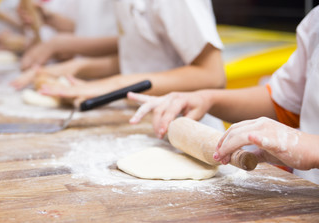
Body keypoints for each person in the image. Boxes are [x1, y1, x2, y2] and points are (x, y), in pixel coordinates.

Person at [127, 6, 319, 184]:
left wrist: (312, 148)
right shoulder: (315, 22)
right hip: (305, 195)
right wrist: (207, 99)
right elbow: (283, 103)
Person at [22, 0, 226, 130]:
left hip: (189, 130)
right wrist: (82, 70)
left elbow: (213, 75)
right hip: (145, 123)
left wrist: (114, 85)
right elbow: (140, 59)